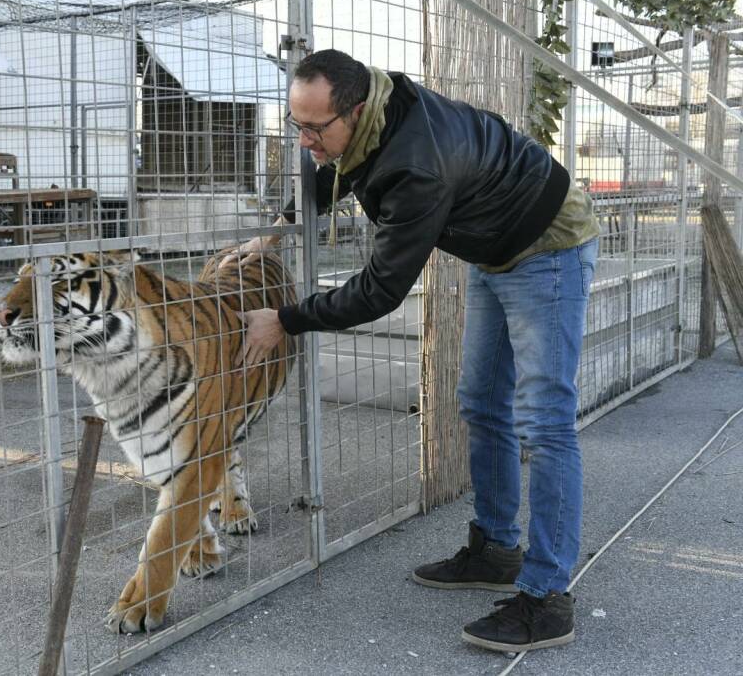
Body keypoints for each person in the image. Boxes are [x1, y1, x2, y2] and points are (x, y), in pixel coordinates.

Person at [231, 48, 600, 653]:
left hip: (547, 249)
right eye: (294, 124)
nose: (303, 142)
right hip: (495, 245)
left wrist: (287, 319)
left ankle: (547, 599)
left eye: (313, 128)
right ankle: (497, 550)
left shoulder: (415, 165)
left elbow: (379, 291)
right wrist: (281, 223)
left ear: (351, 110)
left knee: (546, 422)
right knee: (481, 402)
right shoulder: (374, 107)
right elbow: (337, 166)